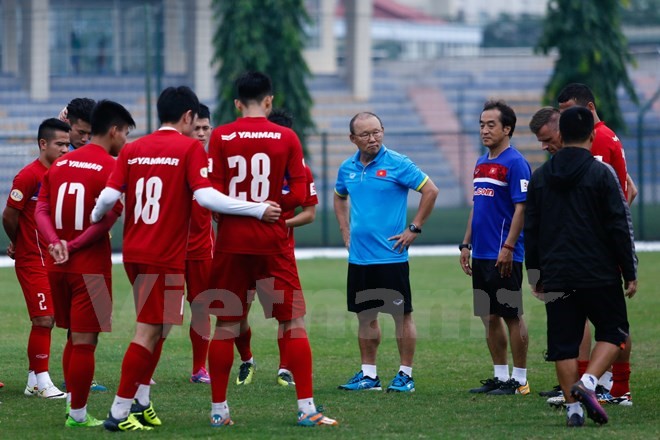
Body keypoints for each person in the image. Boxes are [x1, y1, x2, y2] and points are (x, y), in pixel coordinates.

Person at [90, 85, 280, 432]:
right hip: (163, 255)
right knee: (148, 330)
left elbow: (106, 197)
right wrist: (256, 209)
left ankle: (143, 402)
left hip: (135, 251)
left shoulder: (134, 149)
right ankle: (119, 413)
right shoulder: (189, 148)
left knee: (160, 326)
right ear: (188, 116)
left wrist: (94, 218)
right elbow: (207, 197)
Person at [206, 71, 337, 427]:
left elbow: (213, 195)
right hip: (272, 241)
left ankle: (219, 412)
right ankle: (307, 410)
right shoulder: (286, 137)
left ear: (236, 103)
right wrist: (272, 204)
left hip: (231, 242)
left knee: (225, 324)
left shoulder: (220, 135)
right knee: (292, 321)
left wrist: (240, 207)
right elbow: (300, 193)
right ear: (269, 101)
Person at [524, 106, 637, 427]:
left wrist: (536, 274)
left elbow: (532, 229)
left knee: (563, 345)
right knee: (614, 331)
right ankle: (588, 384)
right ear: (590, 135)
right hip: (597, 270)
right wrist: (629, 271)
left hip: (556, 272)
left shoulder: (541, 177)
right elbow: (618, 224)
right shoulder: (602, 174)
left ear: (561, 134)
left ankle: (574, 410)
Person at [35, 100, 135, 427]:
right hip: (90, 266)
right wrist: (74, 245)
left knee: (71, 336)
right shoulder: (111, 166)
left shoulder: (61, 163)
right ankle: (77, 414)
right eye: (126, 133)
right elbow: (110, 218)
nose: (126, 141)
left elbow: (42, 209)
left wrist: (54, 243)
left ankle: (70, 405)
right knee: (85, 341)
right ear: (113, 131)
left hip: (56, 265)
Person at [334, 111, 439, 393]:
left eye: (377, 132)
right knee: (366, 316)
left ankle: (405, 375)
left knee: (401, 315)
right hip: (359, 258)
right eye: (366, 134)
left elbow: (430, 191)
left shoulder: (398, 163)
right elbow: (339, 195)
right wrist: (345, 230)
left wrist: (413, 229)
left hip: (391, 256)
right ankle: (369, 376)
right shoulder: (347, 168)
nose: (373, 139)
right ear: (352, 138)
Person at [556, 83, 636, 406]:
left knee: (610, 321)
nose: (564, 123)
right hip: (598, 245)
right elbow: (628, 189)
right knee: (597, 317)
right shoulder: (606, 135)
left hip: (597, 249)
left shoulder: (598, 140)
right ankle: (599, 385)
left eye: (568, 114)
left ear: (588, 110)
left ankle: (613, 388)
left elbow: (609, 195)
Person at [232, 108, 319, 388]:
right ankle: (246, 360)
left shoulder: (299, 169)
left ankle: (285, 369)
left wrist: (283, 223)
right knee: (234, 314)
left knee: (287, 315)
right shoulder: (245, 166)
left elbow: (310, 212)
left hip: (277, 254)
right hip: (242, 251)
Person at [459, 100, 531, 396]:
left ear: (507, 128)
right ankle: (500, 377)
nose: (484, 130)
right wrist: (466, 244)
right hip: (482, 254)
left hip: (505, 254)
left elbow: (522, 208)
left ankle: (521, 380)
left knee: (512, 315)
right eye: (481, 124)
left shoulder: (515, 163)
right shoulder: (480, 162)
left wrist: (509, 246)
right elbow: (478, 206)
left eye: (491, 125)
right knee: (489, 316)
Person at [2, 118, 70, 399]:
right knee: (44, 318)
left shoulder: (62, 174)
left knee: (51, 318)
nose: (66, 149)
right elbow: (9, 215)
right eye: (60, 144)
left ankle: (34, 379)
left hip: (53, 258)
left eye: (67, 144)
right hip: (32, 258)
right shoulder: (29, 176)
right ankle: (42, 380)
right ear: (43, 144)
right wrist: (18, 243)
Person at [186, 103, 214, 384]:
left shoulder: (212, 165)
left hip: (201, 249)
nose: (202, 133)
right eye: (197, 128)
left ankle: (199, 368)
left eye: (206, 128)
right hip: (168, 249)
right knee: (164, 312)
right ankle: (148, 367)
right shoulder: (173, 160)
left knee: (201, 307)